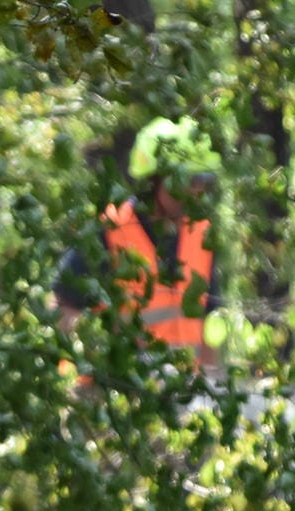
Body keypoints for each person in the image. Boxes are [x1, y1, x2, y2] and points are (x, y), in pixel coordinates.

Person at [55, 117, 224, 376]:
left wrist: (213, 388)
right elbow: (64, 310)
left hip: (182, 398)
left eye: (202, 180)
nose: (197, 191)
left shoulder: (202, 234)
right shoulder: (108, 232)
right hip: (117, 395)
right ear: (154, 181)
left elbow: (208, 324)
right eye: (189, 180)